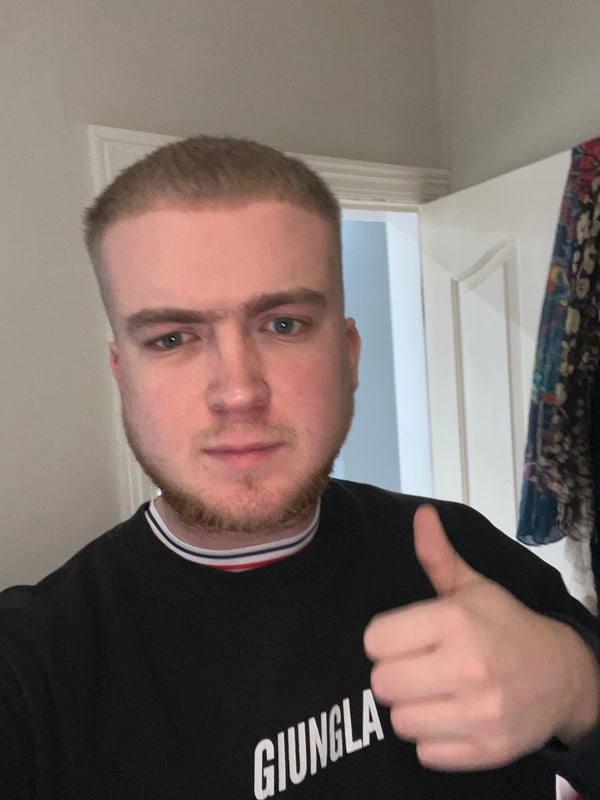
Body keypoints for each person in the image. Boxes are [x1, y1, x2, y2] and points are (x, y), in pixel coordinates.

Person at [0, 136, 599, 800]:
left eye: (283, 325)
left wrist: (578, 689)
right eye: (171, 338)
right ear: (123, 376)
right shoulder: (33, 665)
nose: (238, 392)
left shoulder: (466, 552)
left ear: (349, 355)